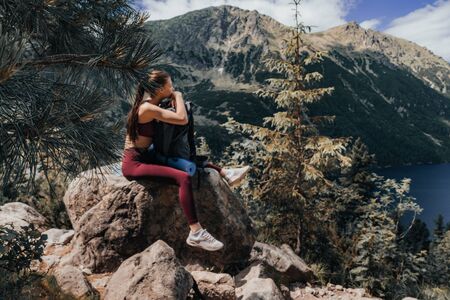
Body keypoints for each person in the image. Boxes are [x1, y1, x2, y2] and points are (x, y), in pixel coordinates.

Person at [121, 69, 250, 251]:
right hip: (134, 163)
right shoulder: (146, 108)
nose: (173, 88)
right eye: (170, 86)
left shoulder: (152, 104)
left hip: (146, 154)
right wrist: (178, 96)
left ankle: (224, 172)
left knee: (180, 159)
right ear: (159, 90)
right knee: (183, 178)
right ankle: (195, 232)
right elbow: (181, 119)